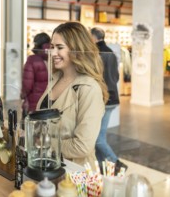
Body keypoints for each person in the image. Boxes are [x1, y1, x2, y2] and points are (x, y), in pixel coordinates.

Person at [36, 22, 109, 170]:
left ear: (76, 50)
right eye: (52, 47)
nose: (53, 53)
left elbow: (83, 146)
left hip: (74, 173)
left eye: (60, 47)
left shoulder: (89, 88)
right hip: (48, 166)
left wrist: (44, 143)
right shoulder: (55, 78)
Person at [90, 27, 128, 172]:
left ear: (94, 37)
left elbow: (96, 77)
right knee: (99, 136)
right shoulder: (111, 52)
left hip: (104, 99)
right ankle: (102, 165)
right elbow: (116, 76)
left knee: (98, 138)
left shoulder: (96, 54)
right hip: (113, 98)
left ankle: (116, 162)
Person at [21, 32, 50, 118]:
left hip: (35, 101)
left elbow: (27, 84)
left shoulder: (32, 60)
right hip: (50, 101)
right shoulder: (53, 58)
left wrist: (23, 95)